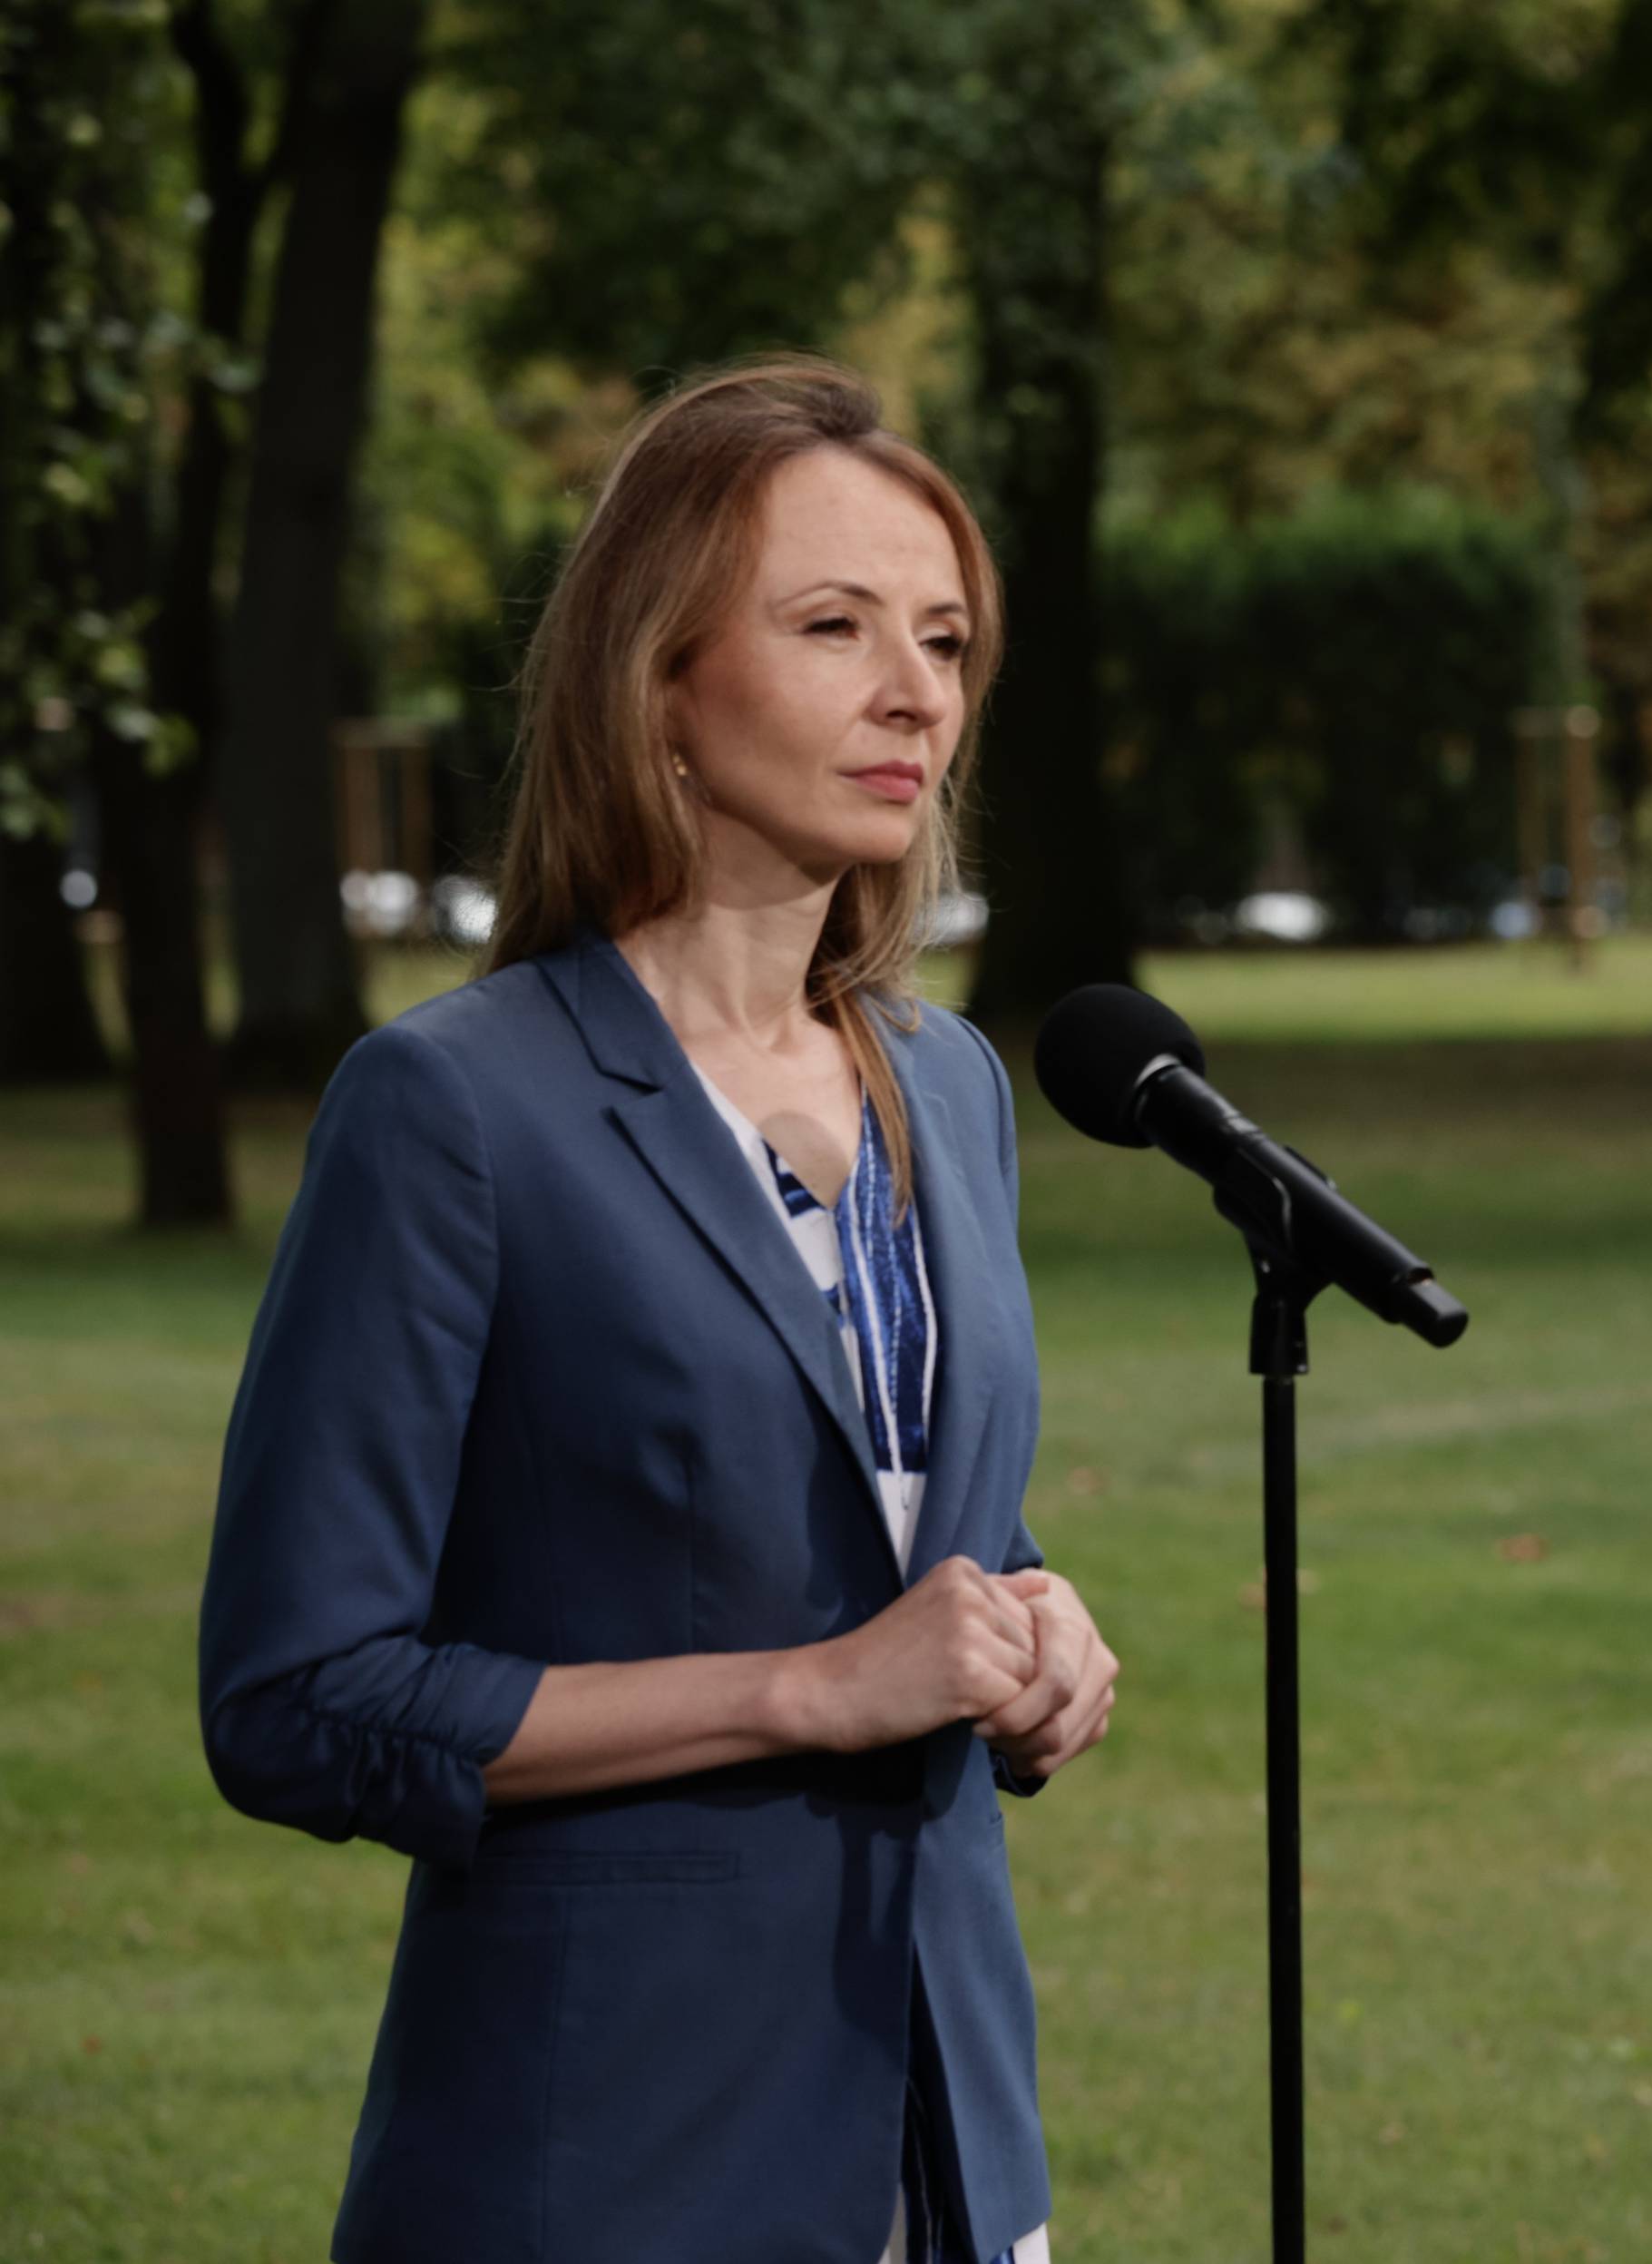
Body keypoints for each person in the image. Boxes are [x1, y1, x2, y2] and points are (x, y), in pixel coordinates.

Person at [196, 358, 1114, 2263]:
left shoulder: (950, 1084)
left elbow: (885, 1507)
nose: (913, 690)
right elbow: (298, 1695)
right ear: (663, 680)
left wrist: (1030, 1619)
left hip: (955, 2148)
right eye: (833, 625)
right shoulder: (453, 1104)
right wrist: (801, 1685)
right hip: (612, 2160)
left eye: (943, 637)